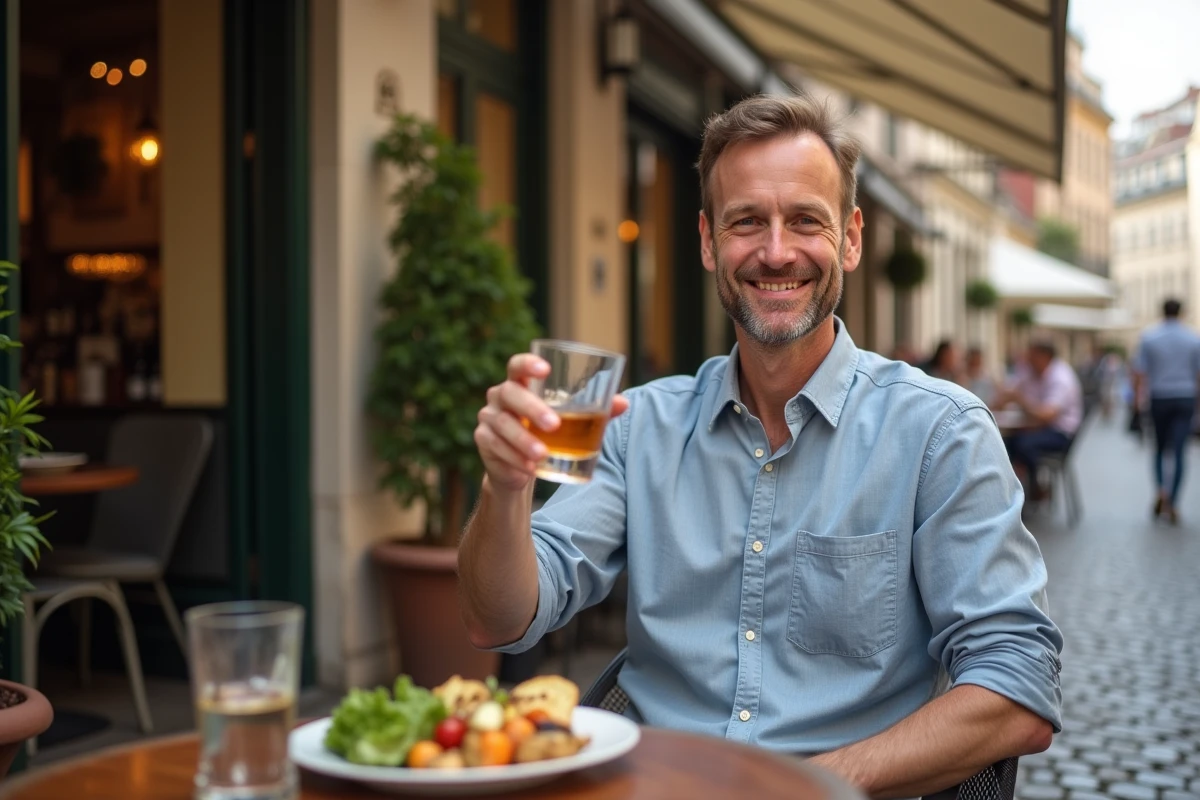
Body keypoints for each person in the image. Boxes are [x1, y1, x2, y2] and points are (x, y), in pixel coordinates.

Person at [460, 94, 1061, 798]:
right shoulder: (638, 426)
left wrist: (797, 785)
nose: (776, 252)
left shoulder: (939, 433)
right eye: (747, 222)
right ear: (711, 242)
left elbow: (1017, 688)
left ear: (851, 238)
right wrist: (505, 488)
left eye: (806, 220)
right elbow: (499, 620)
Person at [1131, 298, 1200, 524]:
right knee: (1180, 452)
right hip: (1185, 396)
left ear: (1161, 311)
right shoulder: (1193, 338)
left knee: (1160, 449)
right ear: (1182, 312)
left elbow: (1139, 373)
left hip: (1159, 396)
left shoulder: (1149, 337)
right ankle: (1173, 500)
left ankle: (1161, 490)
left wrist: (1136, 401)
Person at [992, 341, 1083, 502]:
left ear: (1044, 356)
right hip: (1037, 427)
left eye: (1031, 355)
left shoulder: (1060, 377)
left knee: (1022, 444)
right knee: (1001, 442)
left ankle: (1033, 487)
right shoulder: (1030, 371)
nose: (1027, 359)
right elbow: (1007, 394)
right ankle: (1014, 490)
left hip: (1060, 432)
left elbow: (1047, 416)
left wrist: (1020, 400)